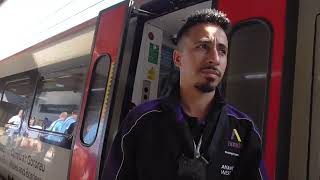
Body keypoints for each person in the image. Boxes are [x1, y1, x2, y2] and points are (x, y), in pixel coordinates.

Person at [103, 9, 264, 180]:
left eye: (222, 50)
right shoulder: (141, 121)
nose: (215, 58)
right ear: (178, 59)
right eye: (203, 46)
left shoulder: (244, 129)